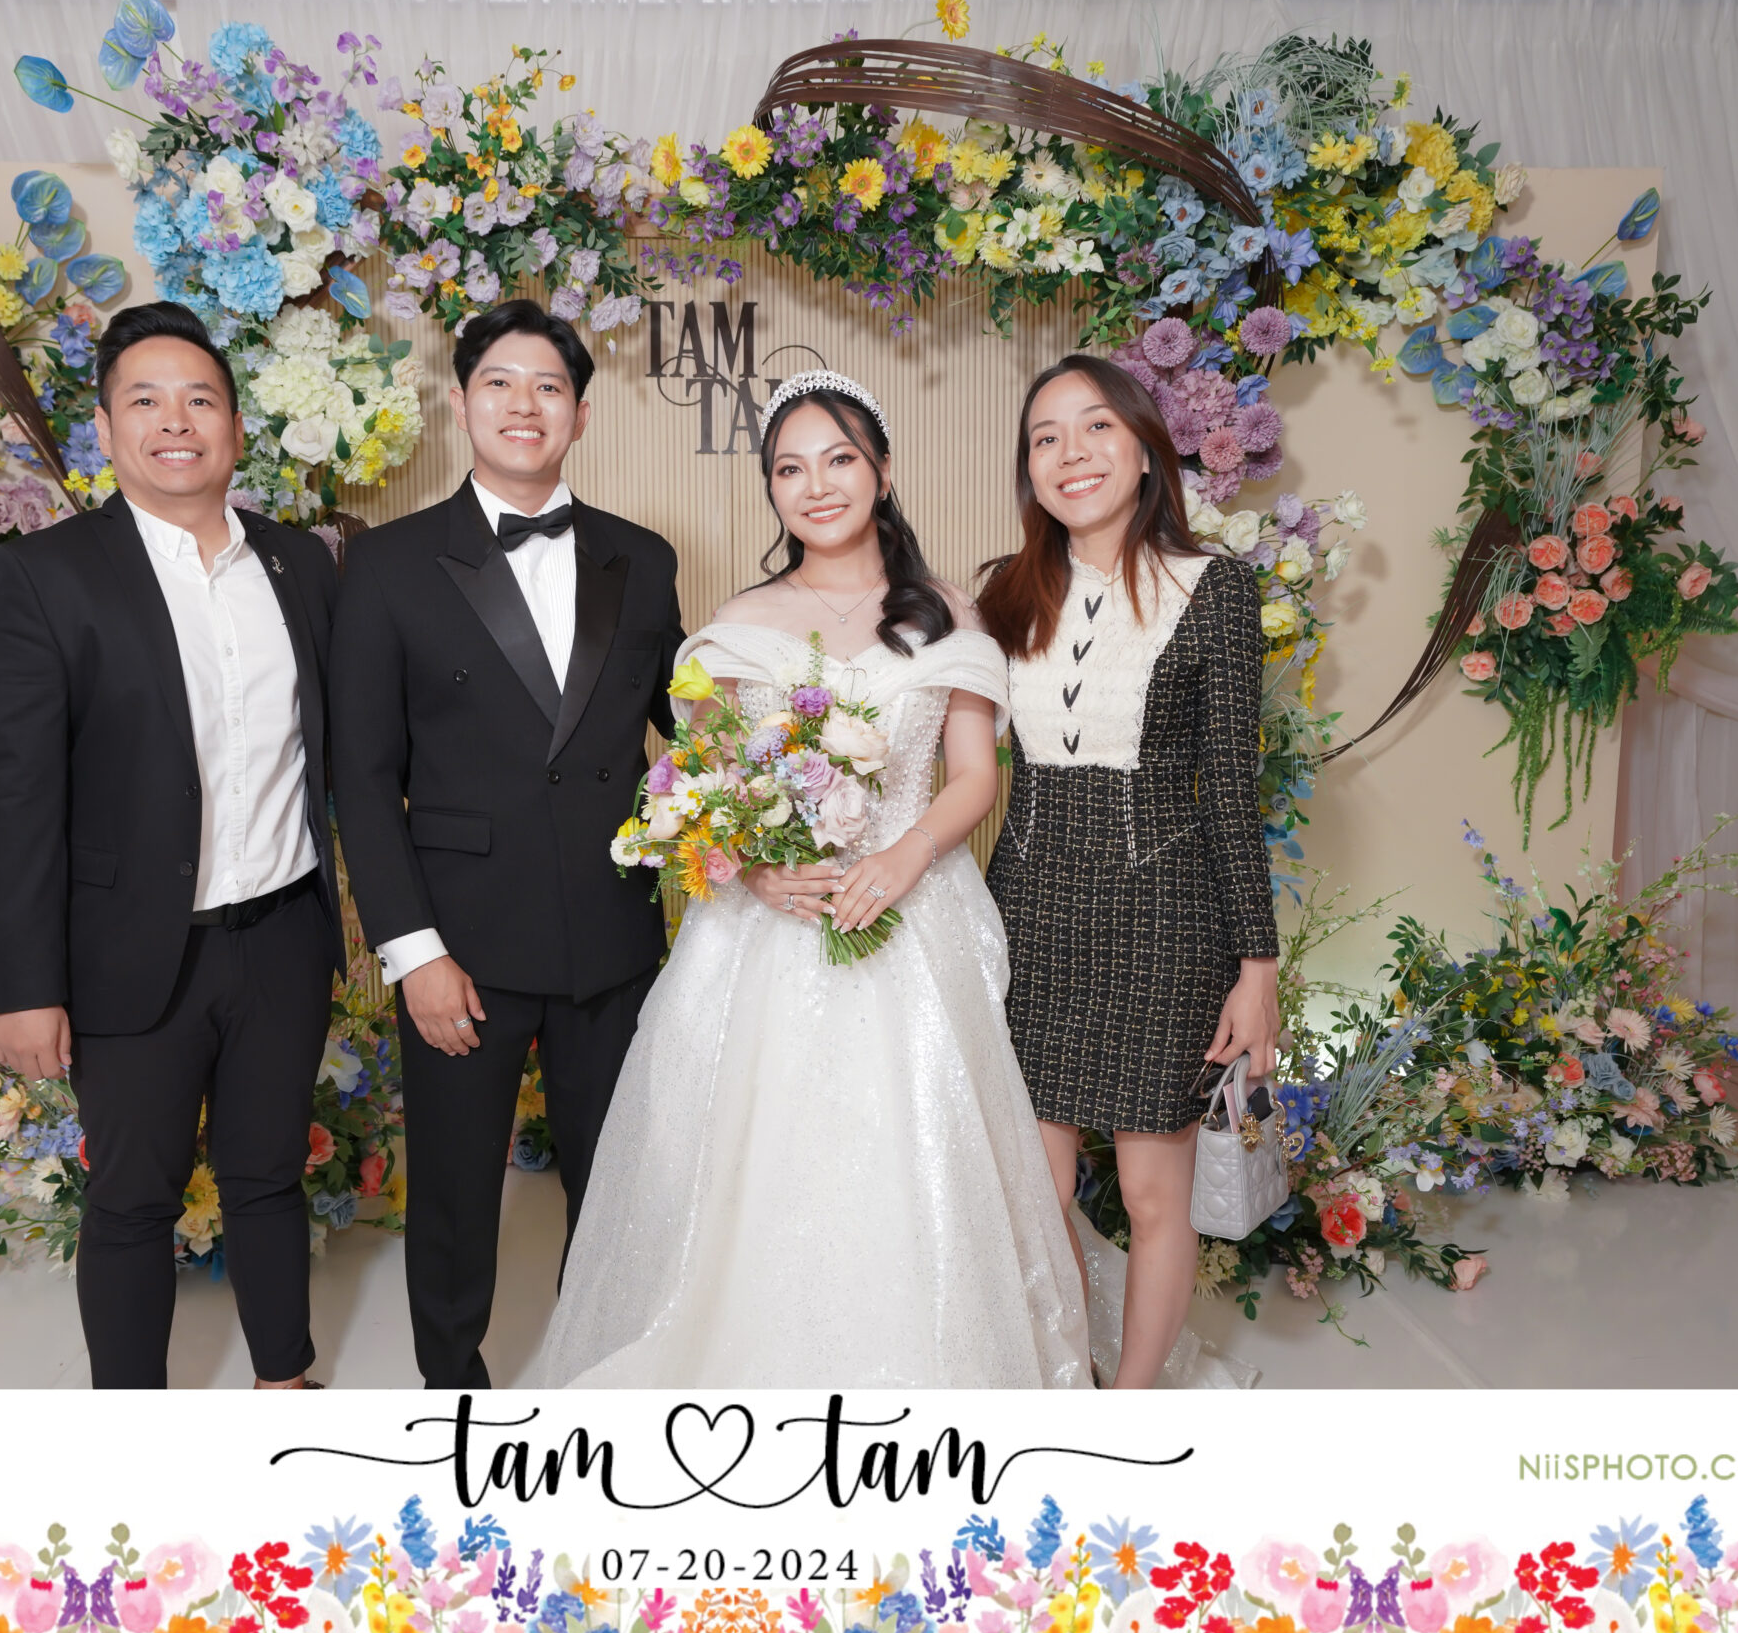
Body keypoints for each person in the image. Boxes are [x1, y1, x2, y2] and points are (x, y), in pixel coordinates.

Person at [526, 371, 1092, 1389]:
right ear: (772, 489)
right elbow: (698, 778)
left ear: (883, 470)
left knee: (913, 1152)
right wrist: (751, 871)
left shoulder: (949, 615)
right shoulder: (740, 622)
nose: (816, 485)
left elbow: (974, 775)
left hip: (911, 914)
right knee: (755, 1161)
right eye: (790, 468)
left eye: (838, 459)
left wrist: (904, 854)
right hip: (766, 932)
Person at [0, 301, 344, 1390]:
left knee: (270, 1175)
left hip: (281, 932)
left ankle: (285, 1381)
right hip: (131, 948)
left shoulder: (301, 565)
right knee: (132, 1199)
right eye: (146, 400)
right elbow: (19, 794)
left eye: (200, 399)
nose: (175, 421)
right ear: (105, 429)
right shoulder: (48, 574)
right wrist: (24, 986)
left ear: (234, 427)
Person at [330, 298, 685, 1390]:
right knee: (452, 1192)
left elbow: (694, 728)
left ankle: (600, 1375)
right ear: (461, 404)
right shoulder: (388, 564)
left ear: (581, 413)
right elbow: (360, 778)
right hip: (462, 945)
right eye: (499, 383)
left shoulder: (643, 558)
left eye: (548, 387)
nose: (523, 404)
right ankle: (453, 1397)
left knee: (618, 1188)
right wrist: (413, 954)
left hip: (613, 939)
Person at [977, 354, 1280, 1389]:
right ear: (1029, 469)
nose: (1071, 453)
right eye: (1046, 437)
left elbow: (1230, 789)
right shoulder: (1001, 592)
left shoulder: (1215, 588)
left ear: (1146, 449)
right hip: (1027, 914)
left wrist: (1257, 967)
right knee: (1035, 1195)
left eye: (1096, 426)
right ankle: (1066, 1378)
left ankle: (1133, 1405)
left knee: (1155, 1197)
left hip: (1164, 919)